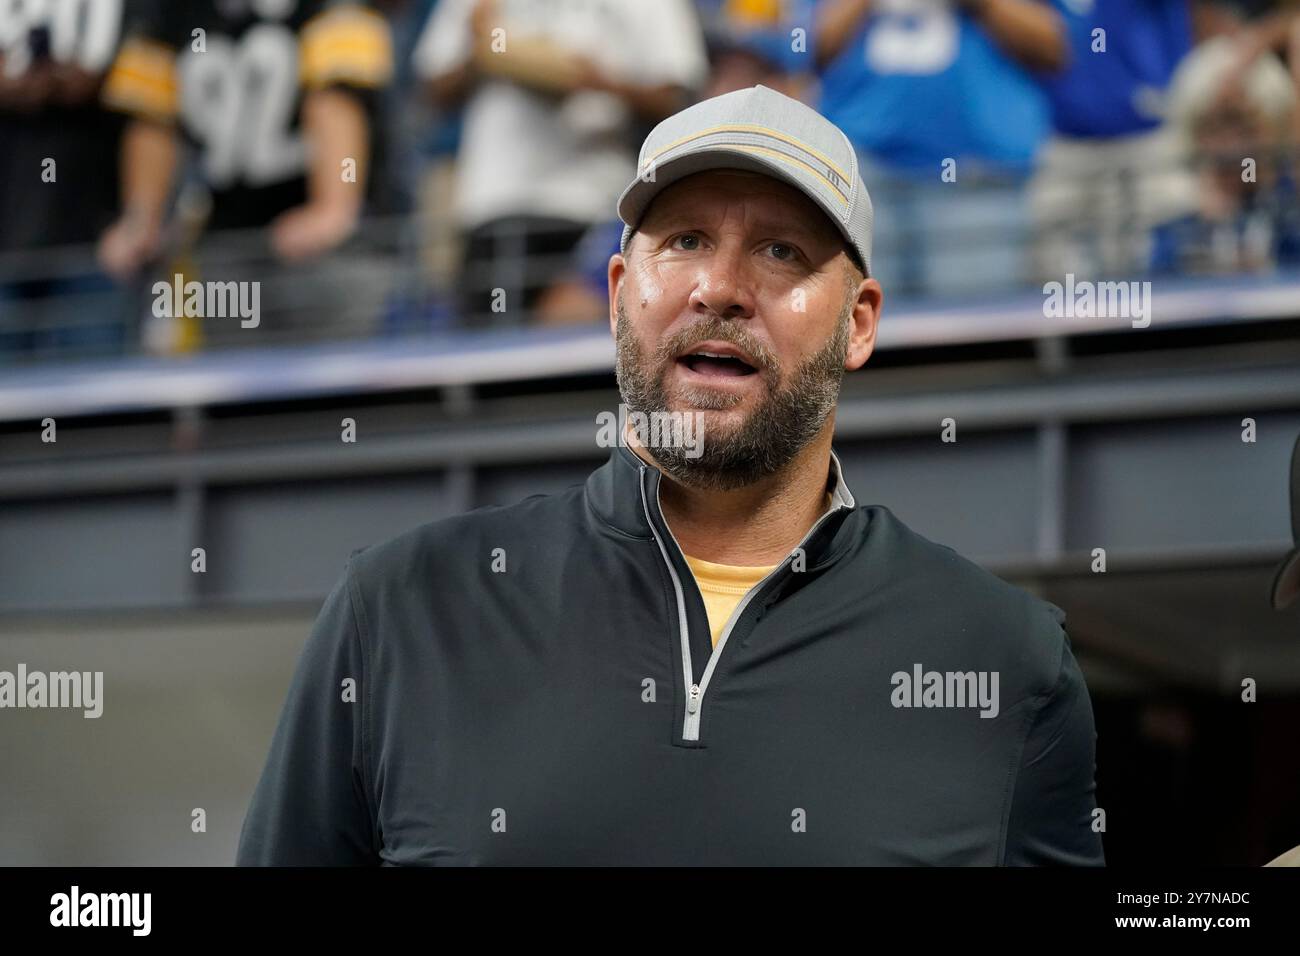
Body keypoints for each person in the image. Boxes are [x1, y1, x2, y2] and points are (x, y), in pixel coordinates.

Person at [236, 83, 1105, 866]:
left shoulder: (1005, 660)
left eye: (782, 253)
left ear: (859, 324)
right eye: (685, 241)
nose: (720, 288)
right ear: (619, 294)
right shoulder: (399, 609)